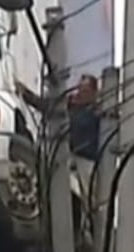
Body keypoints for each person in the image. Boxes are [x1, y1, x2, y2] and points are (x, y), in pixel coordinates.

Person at [19, 74, 101, 212]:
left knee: (89, 200)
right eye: (79, 89)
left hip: (87, 160)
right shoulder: (68, 105)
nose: (80, 94)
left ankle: (92, 221)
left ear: (93, 93)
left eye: (85, 91)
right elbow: (46, 105)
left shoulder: (97, 111)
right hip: (67, 156)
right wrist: (26, 94)